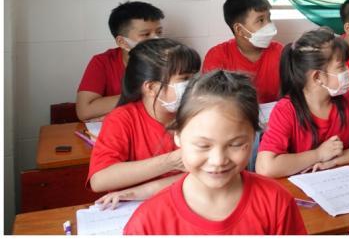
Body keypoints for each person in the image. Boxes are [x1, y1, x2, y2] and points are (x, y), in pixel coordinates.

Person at [123, 70, 307, 234]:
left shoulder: (276, 202)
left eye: (235, 144)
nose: (218, 160)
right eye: (203, 146)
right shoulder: (148, 224)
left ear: (253, 138)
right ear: (177, 136)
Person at [255, 27, 349, 177]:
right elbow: (266, 167)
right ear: (317, 77)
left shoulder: (348, 100)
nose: (348, 71)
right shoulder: (286, 109)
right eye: (341, 67)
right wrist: (318, 154)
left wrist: (334, 160)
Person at [88, 39, 196, 200]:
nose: (193, 84)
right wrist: (171, 161)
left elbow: (201, 178)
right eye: (184, 78)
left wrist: (137, 192)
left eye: (194, 76)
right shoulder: (122, 119)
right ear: (151, 87)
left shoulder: (196, 115)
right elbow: (100, 180)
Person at [76, 1, 164, 121]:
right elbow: (84, 111)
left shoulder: (171, 60)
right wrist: (142, 95)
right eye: (146, 34)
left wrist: (116, 109)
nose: (156, 39)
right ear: (122, 42)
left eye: (159, 32)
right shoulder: (102, 62)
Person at [203, 0, 283, 103]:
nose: (269, 25)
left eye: (269, 18)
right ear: (240, 30)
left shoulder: (280, 52)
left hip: (275, 118)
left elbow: (291, 95)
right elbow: (212, 102)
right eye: (261, 20)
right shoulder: (217, 57)